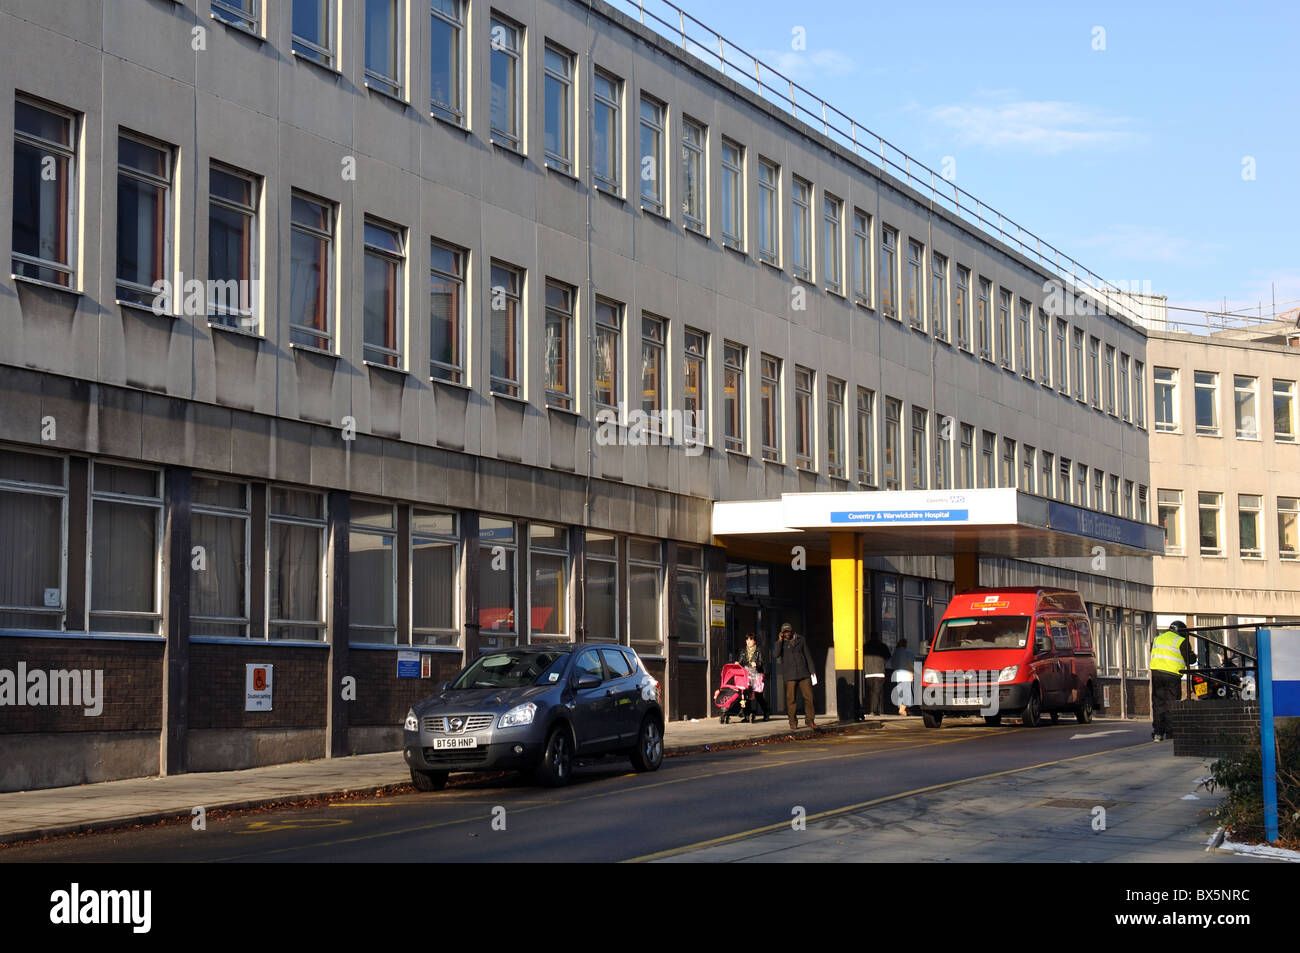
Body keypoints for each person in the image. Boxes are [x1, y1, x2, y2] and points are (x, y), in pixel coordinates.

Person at [1150, 620, 1197, 741]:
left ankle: (1158, 732)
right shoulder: (1181, 640)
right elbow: (1189, 659)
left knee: (1158, 703)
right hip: (1172, 675)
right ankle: (1171, 733)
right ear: (1181, 631)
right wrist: (1193, 656)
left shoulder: (1158, 638)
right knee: (1172, 703)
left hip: (1156, 673)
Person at [775, 622, 817, 730]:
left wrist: (812, 670)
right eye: (784, 632)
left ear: (791, 630)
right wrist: (780, 641)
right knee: (791, 700)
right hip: (789, 675)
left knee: (809, 698)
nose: (786, 634)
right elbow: (776, 654)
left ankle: (810, 720)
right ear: (782, 633)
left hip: (803, 673)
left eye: (788, 631)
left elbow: (807, 655)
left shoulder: (800, 639)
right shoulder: (781, 643)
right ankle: (792, 722)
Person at [737, 633, 769, 722]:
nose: (748, 642)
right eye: (747, 640)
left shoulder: (759, 650)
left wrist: (757, 664)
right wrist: (738, 663)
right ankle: (747, 715)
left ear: (754, 641)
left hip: (756, 675)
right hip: (747, 675)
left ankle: (766, 713)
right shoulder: (743, 651)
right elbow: (740, 661)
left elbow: (761, 662)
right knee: (746, 694)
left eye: (750, 640)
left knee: (758, 695)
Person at [862, 632, 892, 716]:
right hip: (880, 672)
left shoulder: (865, 646)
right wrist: (882, 664)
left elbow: (861, 658)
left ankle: (871, 709)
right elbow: (888, 658)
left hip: (868, 672)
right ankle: (874, 710)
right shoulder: (883, 646)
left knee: (870, 692)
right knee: (877, 692)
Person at [888, 638, 917, 715]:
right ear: (905, 644)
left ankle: (901, 707)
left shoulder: (895, 653)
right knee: (907, 692)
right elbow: (912, 664)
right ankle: (902, 709)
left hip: (898, 674)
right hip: (907, 674)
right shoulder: (908, 652)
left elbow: (892, 663)